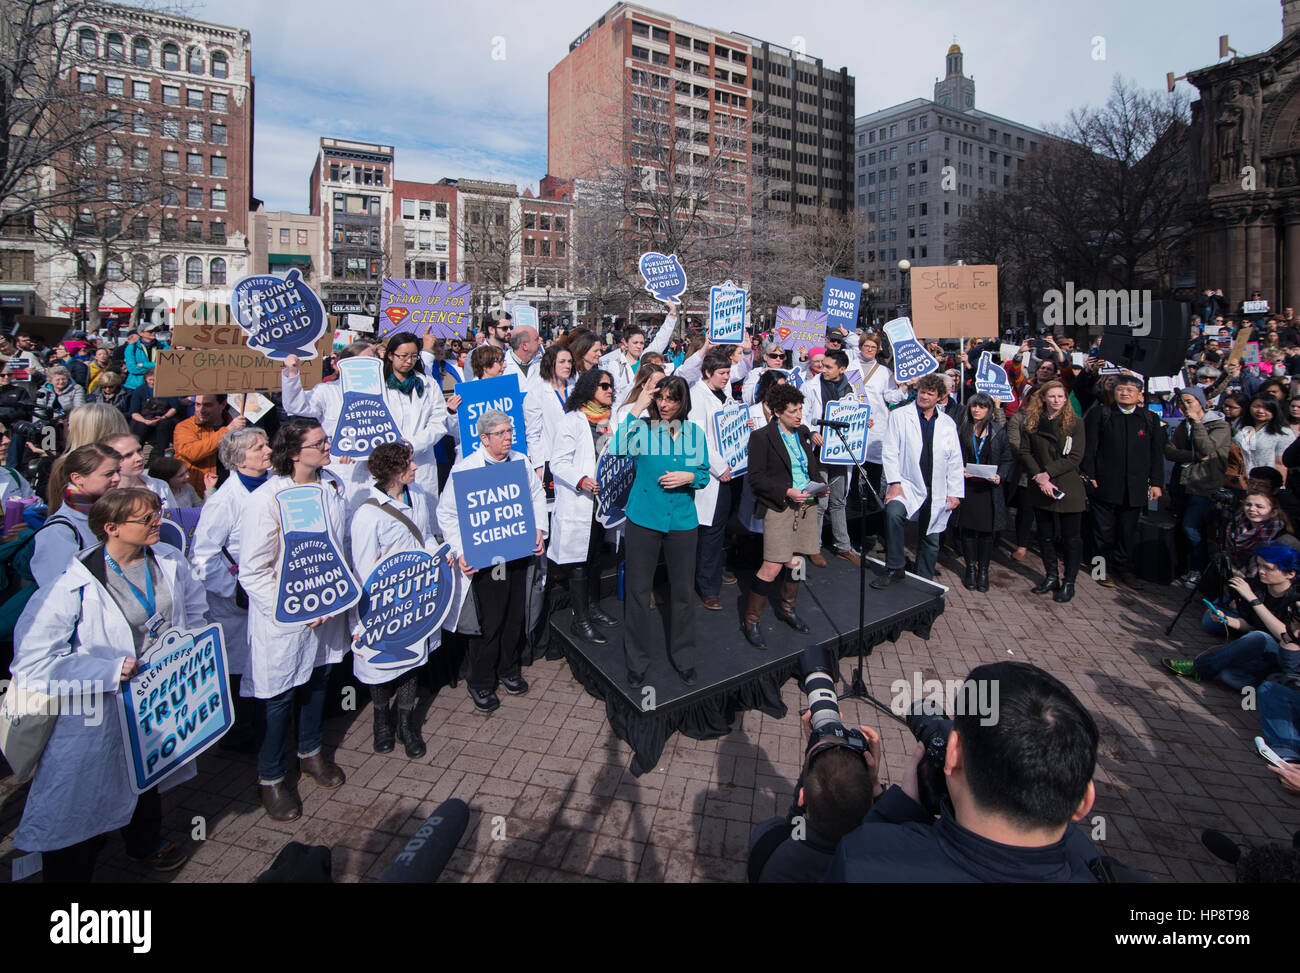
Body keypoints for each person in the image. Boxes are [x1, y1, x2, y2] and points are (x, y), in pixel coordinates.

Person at [11, 488, 204, 881]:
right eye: (146, 518)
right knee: (76, 807)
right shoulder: (69, 588)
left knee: (144, 780)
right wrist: (107, 671)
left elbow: (196, 607)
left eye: (157, 513)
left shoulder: (168, 558)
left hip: (154, 700)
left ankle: (143, 845)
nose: (158, 523)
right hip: (93, 715)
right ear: (111, 528)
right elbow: (30, 665)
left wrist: (189, 648)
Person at [826, 662, 1108, 883]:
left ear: (953, 754)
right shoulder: (1102, 871)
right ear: (1084, 800)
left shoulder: (862, 863)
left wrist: (897, 810)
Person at [239, 418, 350, 821]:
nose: (327, 447)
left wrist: (338, 596)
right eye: (318, 443)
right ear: (292, 453)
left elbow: (340, 545)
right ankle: (270, 777)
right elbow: (252, 570)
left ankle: (311, 752)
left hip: (328, 610)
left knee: (318, 680)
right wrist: (298, 607)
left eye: (326, 441)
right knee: (279, 696)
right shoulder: (267, 499)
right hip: (284, 621)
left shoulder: (333, 486)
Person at [437, 409, 547, 713]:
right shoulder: (465, 469)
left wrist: (538, 528)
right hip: (486, 560)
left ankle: (509, 670)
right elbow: (446, 513)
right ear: (484, 439)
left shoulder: (520, 461)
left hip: (517, 552)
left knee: (515, 616)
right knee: (490, 621)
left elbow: (536, 495)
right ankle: (482, 681)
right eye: (500, 433)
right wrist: (460, 550)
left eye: (509, 431)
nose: (508, 437)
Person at [608, 375, 710, 687]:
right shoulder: (642, 429)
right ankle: (637, 661)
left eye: (671, 399)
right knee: (639, 593)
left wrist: (687, 476)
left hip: (681, 522)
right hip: (643, 520)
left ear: (682, 403)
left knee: (682, 593)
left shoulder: (693, 433)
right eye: (660, 398)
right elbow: (617, 448)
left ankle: (684, 658)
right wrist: (638, 404)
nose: (664, 404)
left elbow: (704, 475)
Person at [350, 442, 440, 758]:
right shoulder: (367, 514)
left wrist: (438, 557)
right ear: (394, 472)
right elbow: (363, 569)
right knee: (381, 664)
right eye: (409, 463)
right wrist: (365, 616)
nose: (416, 467)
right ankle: (381, 721)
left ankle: (405, 722)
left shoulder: (418, 498)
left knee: (411, 661)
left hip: (415, 597)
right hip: (382, 602)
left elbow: (425, 536)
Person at [191, 426, 271, 745]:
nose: (267, 451)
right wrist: (235, 590)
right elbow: (203, 556)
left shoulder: (273, 484)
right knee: (238, 667)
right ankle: (240, 735)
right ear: (239, 460)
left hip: (266, 593)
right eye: (258, 448)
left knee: (262, 663)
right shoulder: (224, 501)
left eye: (266, 445)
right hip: (236, 604)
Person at [742, 383, 827, 648]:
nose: (799, 415)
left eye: (801, 409)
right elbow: (755, 479)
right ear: (777, 412)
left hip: (807, 504)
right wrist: (787, 491)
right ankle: (752, 619)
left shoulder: (802, 433)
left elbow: (808, 466)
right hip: (780, 506)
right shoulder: (761, 437)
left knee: (797, 562)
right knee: (773, 565)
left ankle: (788, 609)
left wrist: (818, 486)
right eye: (793, 411)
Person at [549, 370, 623, 644]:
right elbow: (557, 462)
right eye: (604, 385)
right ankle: (580, 621)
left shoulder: (608, 420)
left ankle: (592, 608)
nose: (609, 390)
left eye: (611, 386)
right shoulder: (573, 421)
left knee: (594, 559)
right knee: (579, 562)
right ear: (590, 388)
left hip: (602, 504)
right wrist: (581, 480)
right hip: (580, 501)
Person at [1163, 545, 1300, 689]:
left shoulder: (1296, 598)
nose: (1261, 571)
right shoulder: (1259, 586)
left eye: (1269, 568)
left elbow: (1285, 635)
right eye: (1259, 565)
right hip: (1264, 652)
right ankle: (1270, 681)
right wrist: (1227, 620)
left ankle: (1198, 667)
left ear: (1290, 574)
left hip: (1288, 655)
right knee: (1229, 676)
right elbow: (1252, 624)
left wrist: (1253, 600)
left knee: (1258, 637)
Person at [873, 372, 963, 587]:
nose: (924, 397)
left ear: (939, 397)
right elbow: (890, 452)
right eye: (922, 392)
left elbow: (955, 458)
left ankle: (924, 579)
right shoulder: (900, 416)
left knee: (931, 535)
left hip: (937, 486)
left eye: (930, 394)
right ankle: (895, 568)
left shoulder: (947, 423)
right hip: (906, 484)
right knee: (894, 514)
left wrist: (955, 491)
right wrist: (895, 483)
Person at [1081, 375, 1165, 591]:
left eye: (1130, 390)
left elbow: (1156, 454)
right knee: (1102, 531)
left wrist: (1156, 482)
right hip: (1104, 484)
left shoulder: (1149, 418)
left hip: (1135, 487)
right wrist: (1089, 475)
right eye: (1121, 389)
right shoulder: (1102, 414)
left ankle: (1124, 568)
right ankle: (1100, 569)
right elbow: (1089, 448)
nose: (1125, 393)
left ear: (1139, 395)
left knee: (1128, 531)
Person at [279, 344, 382, 500]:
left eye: (372, 361)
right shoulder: (327, 391)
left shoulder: (383, 393)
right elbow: (296, 406)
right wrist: (292, 372)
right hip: (340, 467)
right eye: (363, 362)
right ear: (344, 365)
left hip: (373, 467)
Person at [1018, 379, 1087, 603]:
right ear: (1044, 398)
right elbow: (1025, 451)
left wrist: (1047, 473)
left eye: (1060, 396)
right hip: (1040, 485)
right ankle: (1051, 576)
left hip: (1066, 485)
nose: (1056, 400)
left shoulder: (1075, 423)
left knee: (1071, 538)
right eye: (1052, 396)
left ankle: (1069, 581)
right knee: (1045, 536)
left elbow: (1076, 457)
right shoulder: (1033, 421)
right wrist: (1039, 476)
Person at [802, 350, 863, 568]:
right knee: (820, 500)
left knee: (839, 501)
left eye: (828, 367)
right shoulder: (811, 386)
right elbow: (803, 415)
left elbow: (856, 413)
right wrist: (811, 432)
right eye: (822, 365)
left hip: (841, 452)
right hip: (820, 452)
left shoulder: (851, 388)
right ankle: (814, 546)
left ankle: (843, 546)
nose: (822, 369)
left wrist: (865, 422)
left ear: (842, 369)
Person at [30, 443, 122, 588]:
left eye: (118, 471)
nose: (117, 478)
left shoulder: (115, 513)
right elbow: (59, 590)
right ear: (77, 478)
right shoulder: (59, 531)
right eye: (109, 474)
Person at [1166, 387, 1232, 587]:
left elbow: (1208, 449)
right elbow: (1170, 451)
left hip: (1204, 484)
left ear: (1201, 403)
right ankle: (1185, 567)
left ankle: (1199, 569)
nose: (1185, 406)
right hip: (1183, 482)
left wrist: (1196, 423)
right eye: (1181, 402)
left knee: (1192, 526)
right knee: (1184, 526)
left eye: (1189, 401)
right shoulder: (1182, 425)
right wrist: (1193, 456)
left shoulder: (1219, 426)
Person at [378, 331, 451, 504]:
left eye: (413, 356)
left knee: (422, 513)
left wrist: (414, 444)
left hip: (421, 458)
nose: (409, 361)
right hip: (388, 458)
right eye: (403, 356)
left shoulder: (427, 384)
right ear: (390, 355)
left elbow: (439, 421)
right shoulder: (378, 385)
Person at [956, 392, 1013, 592]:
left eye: (982, 407)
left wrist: (1001, 476)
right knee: (969, 530)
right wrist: (959, 469)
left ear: (989, 410)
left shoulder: (998, 431)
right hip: (968, 486)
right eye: (974, 406)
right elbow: (955, 455)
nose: (977, 410)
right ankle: (971, 569)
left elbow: (1007, 458)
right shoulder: (963, 430)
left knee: (986, 533)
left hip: (989, 489)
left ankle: (983, 571)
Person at [599, 299, 679, 403]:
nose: (639, 346)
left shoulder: (645, 358)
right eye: (635, 343)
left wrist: (672, 312)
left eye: (641, 343)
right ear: (626, 343)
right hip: (624, 410)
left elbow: (662, 338)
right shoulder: (615, 365)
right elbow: (612, 393)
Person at [174, 394, 248, 496]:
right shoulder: (185, 426)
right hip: (201, 492)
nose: (201, 410)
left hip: (233, 490)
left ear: (223, 404)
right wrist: (226, 431)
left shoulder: (236, 425)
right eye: (197, 404)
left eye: (207, 405)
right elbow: (191, 452)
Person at [522, 344, 573, 477]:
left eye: (569, 361)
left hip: (577, 457)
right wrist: (538, 465)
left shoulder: (576, 389)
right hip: (551, 458)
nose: (567, 365)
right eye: (562, 362)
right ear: (550, 364)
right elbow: (533, 434)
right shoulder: (536, 393)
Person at [103, 433, 178, 509]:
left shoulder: (160, 485)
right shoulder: (105, 494)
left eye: (139, 450)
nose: (139, 458)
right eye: (128, 455)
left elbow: (174, 517)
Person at [1224, 490, 1294, 570]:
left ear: (1273, 512)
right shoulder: (1233, 527)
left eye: (1259, 506)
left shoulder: (1284, 540)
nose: (1252, 509)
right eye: (1248, 505)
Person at [1235, 396, 1295, 480]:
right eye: (1256, 406)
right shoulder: (1239, 423)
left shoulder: (1284, 432)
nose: (1260, 411)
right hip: (1236, 477)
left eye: (1266, 408)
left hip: (1264, 480)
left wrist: (1280, 488)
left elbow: (1280, 463)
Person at [502, 324, 542, 388]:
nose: (540, 342)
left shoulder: (541, 364)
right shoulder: (501, 368)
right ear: (524, 346)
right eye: (536, 339)